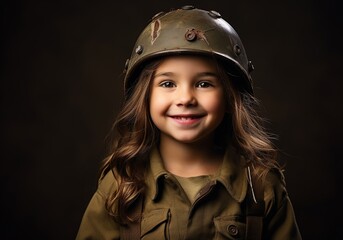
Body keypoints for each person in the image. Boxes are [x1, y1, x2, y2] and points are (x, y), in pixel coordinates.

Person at [76, 5, 302, 240]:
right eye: (167, 84)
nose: (185, 99)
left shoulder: (261, 187)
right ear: (145, 97)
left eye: (204, 84)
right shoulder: (122, 184)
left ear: (229, 97)